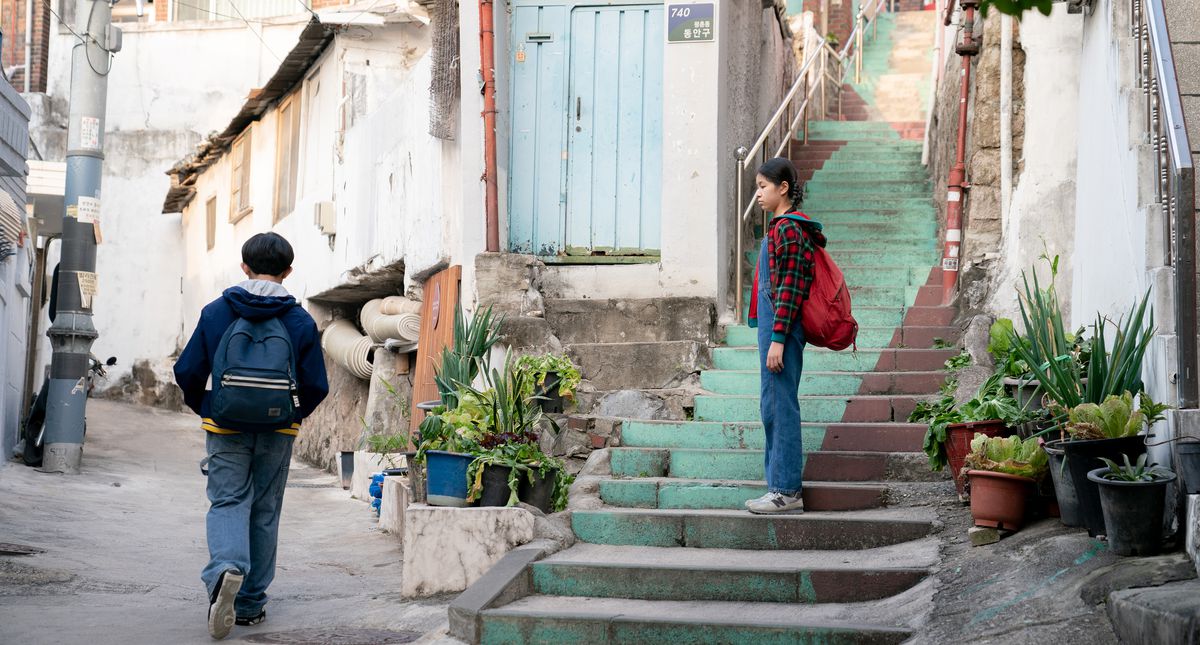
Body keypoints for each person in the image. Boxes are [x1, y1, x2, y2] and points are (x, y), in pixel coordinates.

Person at [173, 232, 329, 639]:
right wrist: (293, 415)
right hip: (278, 429)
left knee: (227, 501)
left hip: (225, 427)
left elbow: (187, 371)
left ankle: (226, 567)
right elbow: (316, 385)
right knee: (264, 510)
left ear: (244, 267)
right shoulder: (298, 320)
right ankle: (250, 605)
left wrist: (205, 406)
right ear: (288, 271)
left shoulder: (216, 312)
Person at [744, 157, 826, 514]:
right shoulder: (779, 228)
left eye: (763, 187)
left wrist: (777, 338)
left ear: (783, 188)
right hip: (776, 328)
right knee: (772, 407)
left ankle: (786, 491)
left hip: (782, 330)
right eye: (757, 188)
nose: (758, 194)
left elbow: (791, 287)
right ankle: (778, 486)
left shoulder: (789, 230)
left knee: (780, 406)